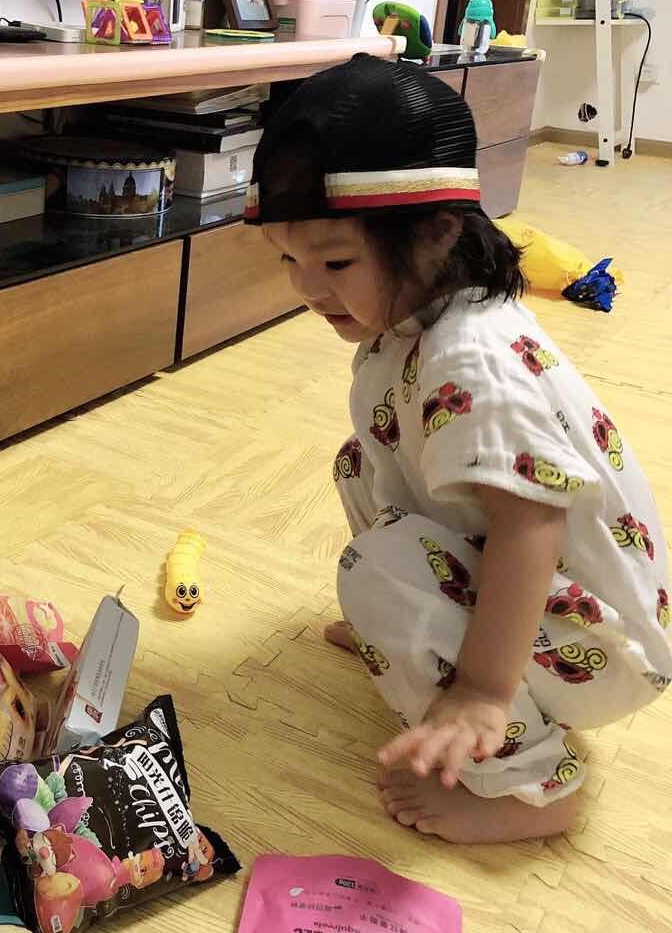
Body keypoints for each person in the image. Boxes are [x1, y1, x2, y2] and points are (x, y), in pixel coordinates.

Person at [246, 55, 672, 844]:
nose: (306, 287)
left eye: (335, 262)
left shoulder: (472, 361)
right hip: (561, 607)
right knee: (361, 460)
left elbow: (532, 525)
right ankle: (421, 637)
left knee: (377, 569)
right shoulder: (426, 313)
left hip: (595, 645)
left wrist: (480, 690)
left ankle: (534, 789)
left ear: (439, 234)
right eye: (289, 259)